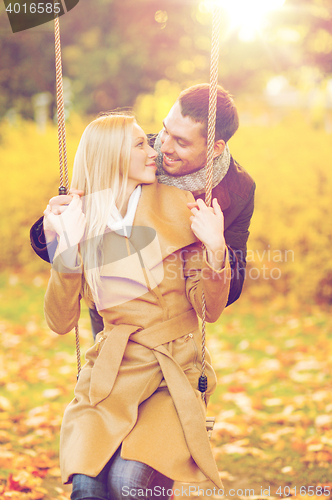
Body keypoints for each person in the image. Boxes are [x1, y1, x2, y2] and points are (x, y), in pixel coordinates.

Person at [43, 112, 231, 500]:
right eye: (141, 144)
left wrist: (216, 248)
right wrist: (65, 250)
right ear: (112, 156)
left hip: (172, 372)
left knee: (129, 485)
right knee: (88, 487)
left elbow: (209, 310)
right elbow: (60, 322)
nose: (155, 150)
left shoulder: (181, 205)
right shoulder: (81, 219)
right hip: (111, 373)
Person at [30, 83, 255, 339]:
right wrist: (48, 231)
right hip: (112, 318)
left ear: (215, 148)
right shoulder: (140, 151)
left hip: (171, 323)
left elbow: (229, 285)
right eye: (165, 130)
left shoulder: (238, 190)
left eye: (180, 141)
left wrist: (212, 247)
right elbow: (88, 203)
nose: (162, 147)